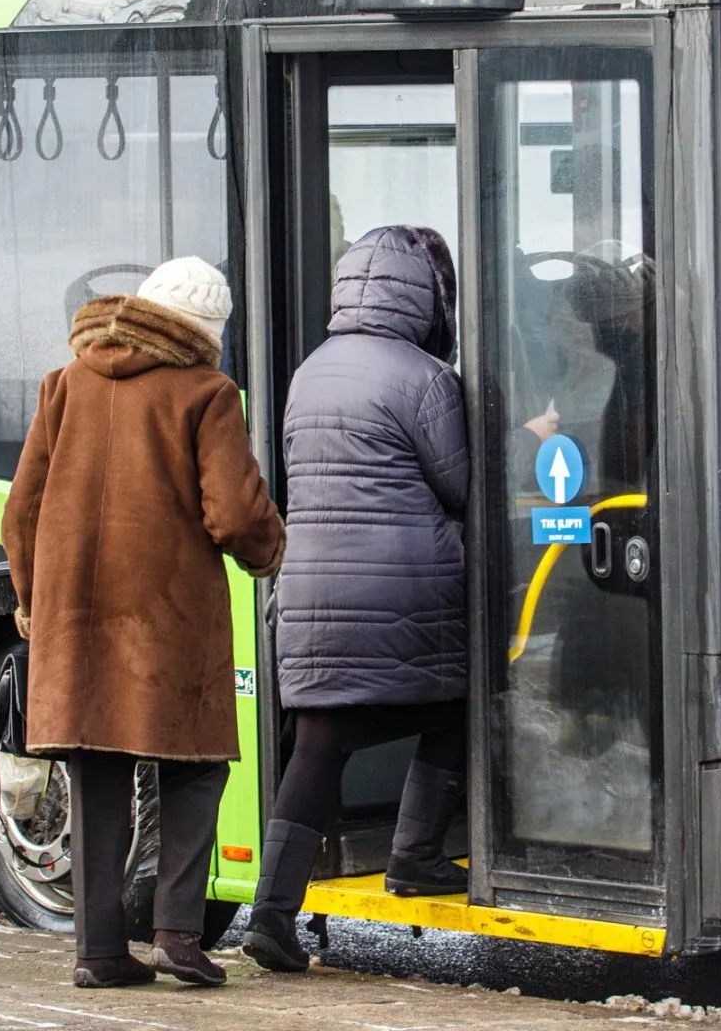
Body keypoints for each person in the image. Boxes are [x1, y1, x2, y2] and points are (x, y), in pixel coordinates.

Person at [1, 256, 285, 990]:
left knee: (96, 771)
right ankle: (178, 935)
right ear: (206, 330)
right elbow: (235, 512)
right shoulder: (207, 394)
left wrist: (32, 599)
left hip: (73, 619)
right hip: (168, 619)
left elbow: (21, 511)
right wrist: (269, 553)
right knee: (194, 769)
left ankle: (97, 951)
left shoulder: (64, 384)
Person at [241, 225, 469, 974]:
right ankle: (415, 853)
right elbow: (461, 486)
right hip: (401, 585)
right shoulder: (426, 379)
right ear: (425, 298)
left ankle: (272, 915)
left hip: (311, 588)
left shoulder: (310, 372)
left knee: (320, 743)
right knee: (460, 708)